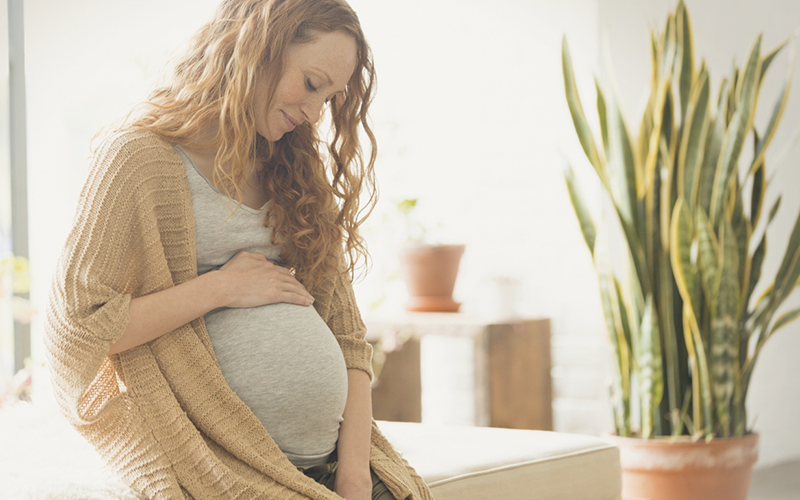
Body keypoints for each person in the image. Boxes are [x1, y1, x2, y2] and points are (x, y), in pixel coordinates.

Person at [43, 1, 434, 499]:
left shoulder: (296, 170)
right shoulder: (138, 159)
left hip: (335, 465)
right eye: (311, 84)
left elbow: (348, 336)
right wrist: (221, 288)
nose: (315, 113)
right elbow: (77, 330)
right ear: (257, 49)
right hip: (220, 466)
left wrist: (355, 475)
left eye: (329, 97)